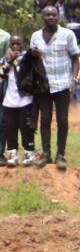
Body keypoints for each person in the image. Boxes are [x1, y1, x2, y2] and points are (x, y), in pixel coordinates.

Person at [30, 5, 80, 169]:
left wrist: (73, 79)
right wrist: (33, 56)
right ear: (42, 17)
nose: (51, 17)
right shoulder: (35, 36)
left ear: (58, 16)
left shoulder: (67, 34)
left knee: (62, 120)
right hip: (43, 86)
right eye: (48, 15)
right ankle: (46, 154)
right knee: (44, 119)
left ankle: (60, 155)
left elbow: (75, 59)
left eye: (54, 14)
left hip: (63, 84)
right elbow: (32, 61)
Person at [2, 36, 40, 166]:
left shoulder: (27, 57)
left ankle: (29, 153)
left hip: (25, 100)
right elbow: (1, 73)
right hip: (9, 101)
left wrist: (20, 58)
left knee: (27, 128)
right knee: (10, 129)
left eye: (18, 43)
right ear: (10, 44)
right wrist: (8, 60)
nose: (15, 46)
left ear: (23, 44)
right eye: (13, 44)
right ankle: (12, 155)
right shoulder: (5, 58)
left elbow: (29, 64)